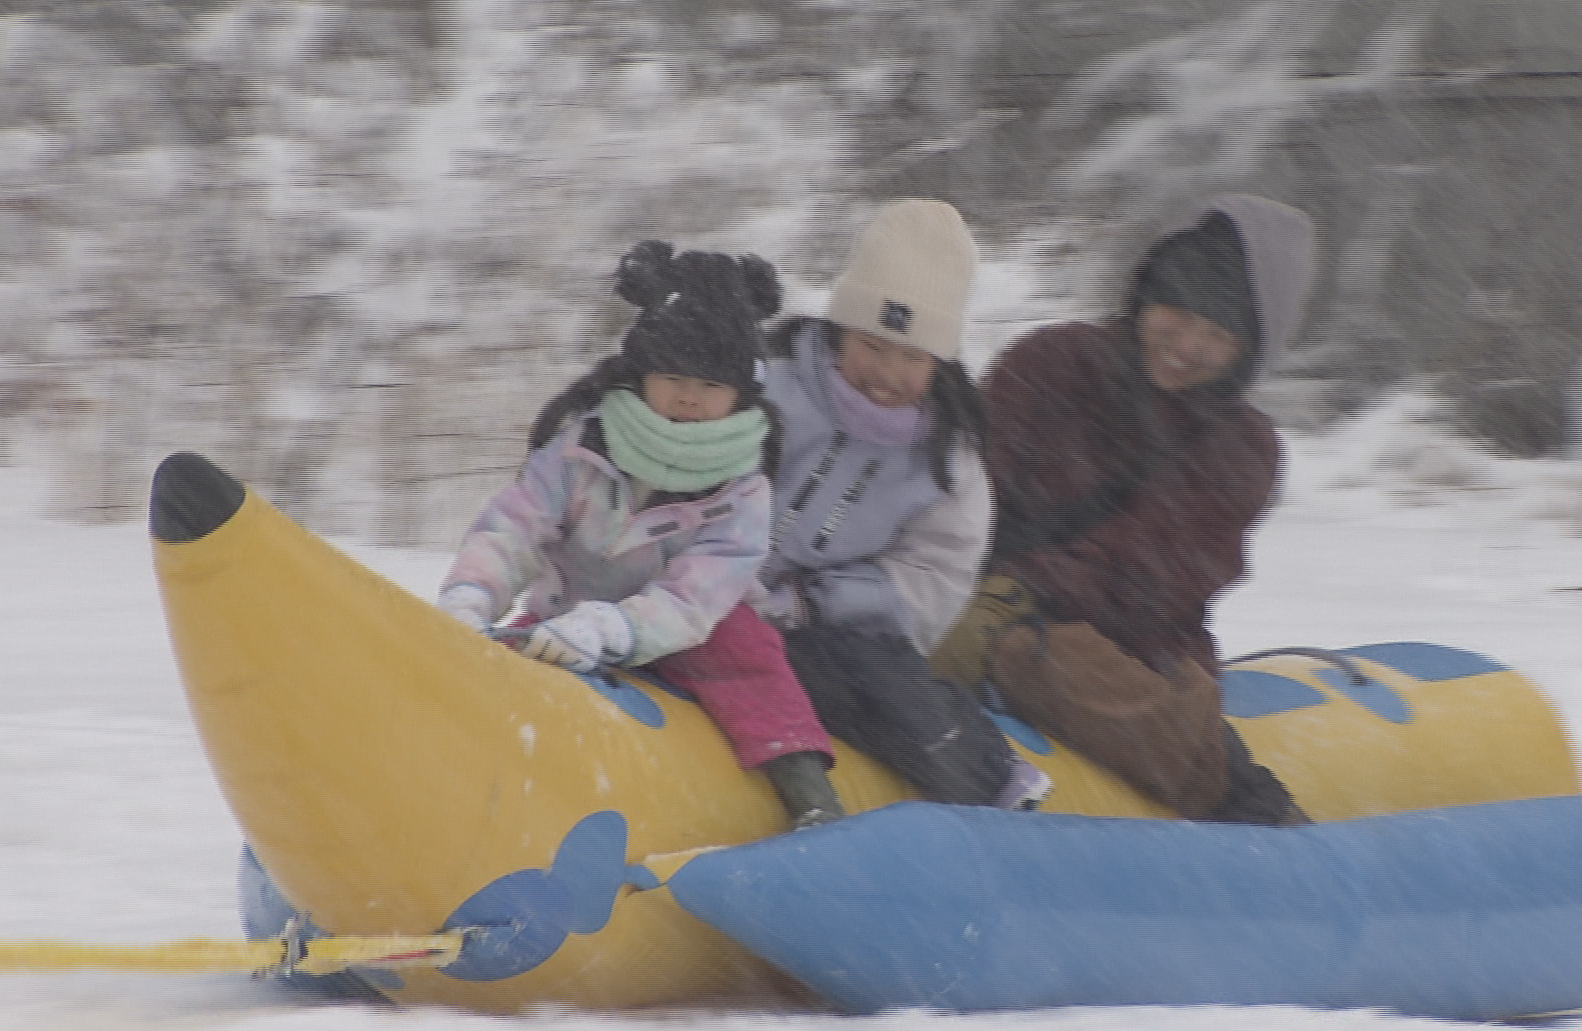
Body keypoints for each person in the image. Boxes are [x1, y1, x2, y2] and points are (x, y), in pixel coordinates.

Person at [931, 194, 1317, 825]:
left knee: (1041, 660)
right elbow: (968, 488)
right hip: (962, 598)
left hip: (1130, 654)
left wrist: (1011, 599)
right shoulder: (1052, 362)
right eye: (1176, 311)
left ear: (1249, 350)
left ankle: (1251, 814)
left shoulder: (1242, 449)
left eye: (1217, 333)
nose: (1185, 345)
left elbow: (1143, 571)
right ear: (1144, 294)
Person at [437, 240, 845, 830]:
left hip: (692, 633)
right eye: (673, 377)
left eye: (709, 385)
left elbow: (693, 598)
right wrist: (470, 600)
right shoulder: (580, 449)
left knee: (751, 659)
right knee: (501, 669)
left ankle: (809, 798)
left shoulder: (742, 490)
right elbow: (512, 527)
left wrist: (609, 630)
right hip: (564, 614)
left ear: (740, 394)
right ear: (642, 377)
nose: (687, 396)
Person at [755, 199, 1051, 810]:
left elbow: (935, 574)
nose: (887, 374)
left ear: (938, 363)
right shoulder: (768, 388)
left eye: (913, 358)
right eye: (871, 345)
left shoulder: (944, 458)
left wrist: (812, 603)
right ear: (838, 332)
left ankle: (983, 780)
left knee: (872, 675)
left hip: (820, 633)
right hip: (698, 593)